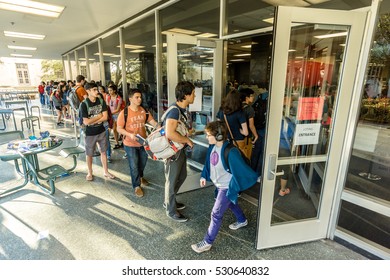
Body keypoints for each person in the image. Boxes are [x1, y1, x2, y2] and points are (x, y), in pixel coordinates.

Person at [191, 121, 258, 253]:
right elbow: (208, 163)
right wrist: (204, 176)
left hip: (226, 186)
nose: (206, 137)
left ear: (219, 136)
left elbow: (242, 171)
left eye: (208, 135)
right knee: (230, 203)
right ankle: (242, 220)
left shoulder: (231, 152)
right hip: (219, 184)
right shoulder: (212, 147)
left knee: (216, 214)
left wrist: (238, 186)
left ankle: (207, 242)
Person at [117, 89, 158, 198]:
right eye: (137, 97)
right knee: (134, 165)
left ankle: (140, 176)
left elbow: (153, 122)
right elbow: (119, 129)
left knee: (143, 162)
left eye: (140, 97)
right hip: (130, 144)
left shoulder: (143, 110)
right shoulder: (124, 112)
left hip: (143, 143)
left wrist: (160, 128)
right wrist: (130, 135)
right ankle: (136, 186)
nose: (140, 99)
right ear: (130, 99)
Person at [163, 81, 195, 222]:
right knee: (172, 180)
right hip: (173, 152)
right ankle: (170, 210)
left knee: (181, 176)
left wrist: (187, 133)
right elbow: (170, 133)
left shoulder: (181, 110)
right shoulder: (175, 110)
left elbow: (177, 129)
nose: (194, 96)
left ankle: (169, 201)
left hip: (178, 149)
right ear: (186, 95)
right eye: (193, 93)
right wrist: (187, 140)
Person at [80, 82, 115, 181]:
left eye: (97, 89)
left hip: (101, 131)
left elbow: (105, 117)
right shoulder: (84, 104)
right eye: (94, 90)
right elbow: (86, 122)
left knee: (103, 152)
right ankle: (90, 172)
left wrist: (95, 119)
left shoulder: (101, 101)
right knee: (89, 154)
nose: (97, 91)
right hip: (90, 133)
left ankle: (106, 171)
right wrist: (99, 116)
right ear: (88, 91)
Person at [216, 89, 248, 155]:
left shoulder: (222, 110)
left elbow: (218, 125)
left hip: (225, 141)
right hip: (238, 142)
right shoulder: (240, 112)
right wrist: (239, 129)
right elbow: (246, 133)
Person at [98, 85, 113, 163]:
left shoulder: (106, 107)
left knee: (106, 141)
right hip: (96, 127)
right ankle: (103, 155)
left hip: (105, 126)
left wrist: (110, 126)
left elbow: (110, 117)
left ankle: (108, 155)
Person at [107, 84, 124, 149]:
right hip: (111, 115)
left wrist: (110, 113)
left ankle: (123, 141)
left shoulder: (119, 98)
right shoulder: (108, 97)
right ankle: (117, 143)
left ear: (114, 90)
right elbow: (108, 106)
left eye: (111, 90)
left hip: (118, 115)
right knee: (114, 129)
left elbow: (117, 109)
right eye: (108, 90)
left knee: (119, 129)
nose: (109, 92)